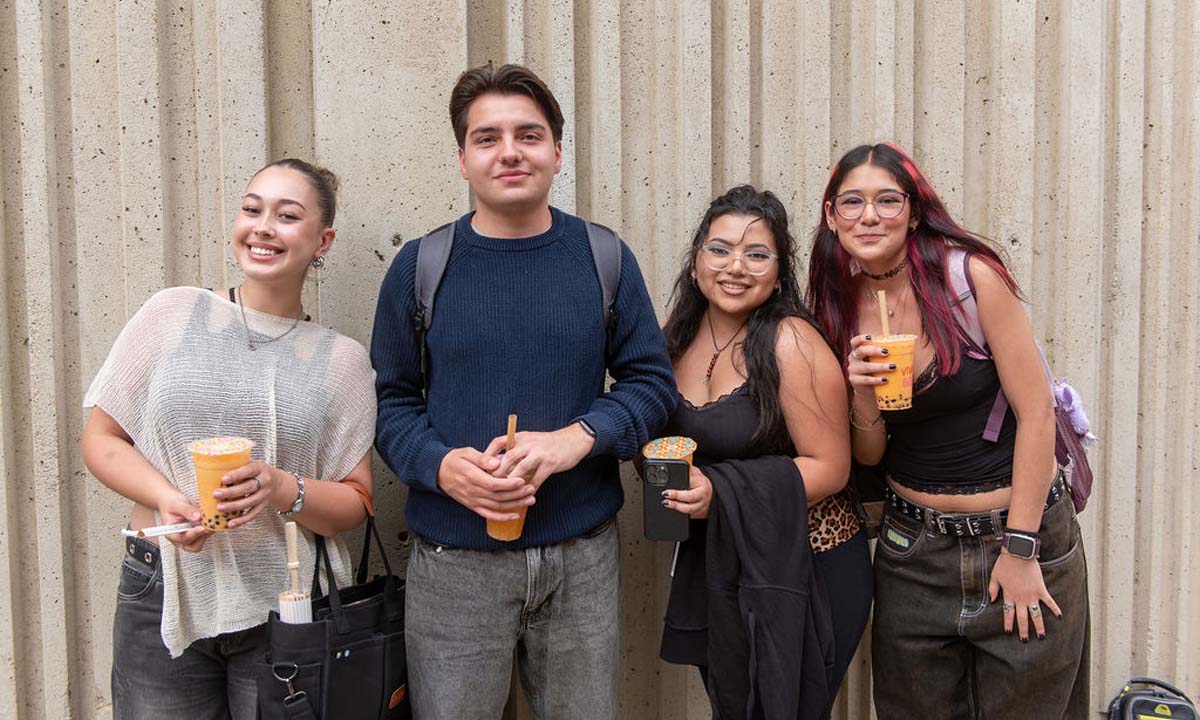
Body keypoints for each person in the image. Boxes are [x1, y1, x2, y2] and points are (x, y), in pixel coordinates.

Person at [371, 63, 675, 720]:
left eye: (528, 135)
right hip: (454, 564)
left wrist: (577, 439)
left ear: (557, 152)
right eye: (487, 138)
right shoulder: (421, 267)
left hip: (582, 558)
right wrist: (443, 467)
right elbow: (390, 403)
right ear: (462, 159)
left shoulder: (603, 258)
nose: (509, 151)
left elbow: (652, 386)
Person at [81, 160, 376, 719]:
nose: (263, 226)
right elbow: (101, 440)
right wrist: (169, 499)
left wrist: (282, 487)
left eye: (287, 215)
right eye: (252, 209)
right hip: (163, 584)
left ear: (323, 240)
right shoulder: (171, 314)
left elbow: (357, 503)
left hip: (288, 602)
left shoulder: (342, 360)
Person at [806, 142, 1090, 718]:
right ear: (832, 217)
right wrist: (862, 393)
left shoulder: (971, 278)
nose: (869, 216)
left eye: (888, 200)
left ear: (914, 211)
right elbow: (869, 452)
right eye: (852, 202)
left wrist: (1020, 547)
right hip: (913, 553)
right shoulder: (837, 305)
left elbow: (1035, 414)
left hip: (1016, 540)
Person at [655, 185, 873, 717]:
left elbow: (832, 467)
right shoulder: (674, 338)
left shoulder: (790, 342)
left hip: (808, 567)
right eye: (720, 249)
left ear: (778, 273)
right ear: (696, 260)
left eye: (756, 255)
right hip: (724, 564)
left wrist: (720, 491)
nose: (735, 267)